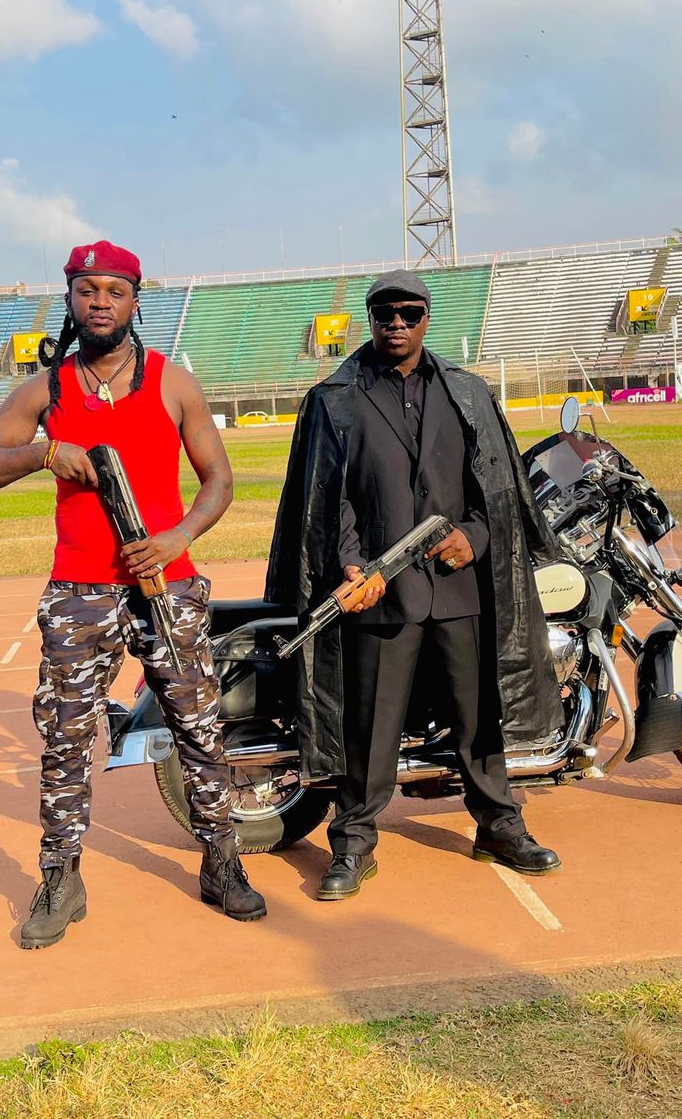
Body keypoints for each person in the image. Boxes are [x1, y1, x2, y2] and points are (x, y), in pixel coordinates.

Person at [0, 240, 266, 947]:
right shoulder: (48, 390)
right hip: (79, 591)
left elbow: (218, 479)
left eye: (115, 291)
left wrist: (177, 536)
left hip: (167, 585)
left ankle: (222, 862)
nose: (100, 303)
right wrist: (42, 452)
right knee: (65, 735)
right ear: (69, 299)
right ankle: (60, 878)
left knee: (199, 728)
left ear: (134, 301)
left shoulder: (172, 382)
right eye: (87, 290)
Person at [265, 269, 562, 900]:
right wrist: (349, 563)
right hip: (380, 591)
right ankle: (352, 843)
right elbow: (329, 499)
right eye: (384, 314)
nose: (396, 324)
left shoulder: (468, 393)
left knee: (477, 719)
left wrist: (474, 537)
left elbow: (494, 491)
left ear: (428, 317)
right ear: (369, 319)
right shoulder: (336, 398)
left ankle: (499, 826)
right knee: (369, 728)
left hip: (458, 589)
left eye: (409, 313)